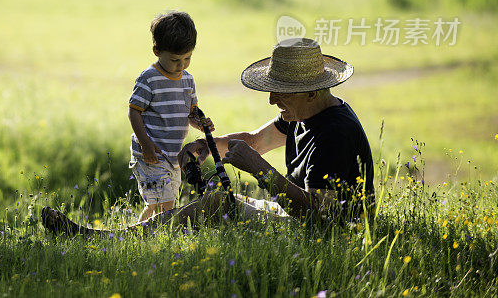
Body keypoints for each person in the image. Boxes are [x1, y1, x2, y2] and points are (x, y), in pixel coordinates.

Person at [41, 38, 374, 236]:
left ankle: (108, 240)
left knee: (216, 203)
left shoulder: (334, 134)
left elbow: (321, 216)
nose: (273, 100)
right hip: (291, 214)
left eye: (281, 93)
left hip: (325, 232)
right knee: (215, 202)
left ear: (311, 92)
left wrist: (260, 171)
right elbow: (255, 141)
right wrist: (204, 146)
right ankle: (117, 237)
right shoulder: (305, 112)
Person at [127, 11, 214, 221]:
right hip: (151, 153)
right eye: (175, 59)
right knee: (162, 205)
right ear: (157, 51)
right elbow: (133, 112)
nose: (182, 64)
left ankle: (140, 235)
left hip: (173, 154)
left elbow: (190, 113)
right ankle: (152, 237)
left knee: (164, 205)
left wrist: (200, 123)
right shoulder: (149, 79)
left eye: (187, 58)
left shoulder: (188, 80)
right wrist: (145, 144)